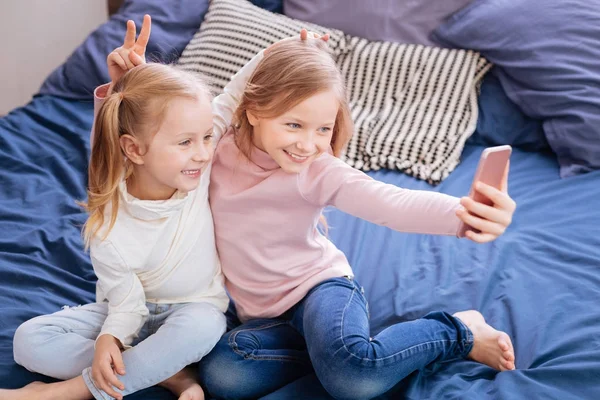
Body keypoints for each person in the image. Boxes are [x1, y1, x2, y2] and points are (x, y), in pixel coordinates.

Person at [199, 38, 518, 400]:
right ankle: (336, 357)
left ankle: (459, 330)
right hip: (258, 317)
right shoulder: (212, 147)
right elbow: (186, 121)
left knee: (354, 379)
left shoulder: (316, 171)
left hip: (319, 289)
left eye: (323, 129)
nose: (307, 144)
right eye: (293, 125)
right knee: (223, 375)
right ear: (254, 111)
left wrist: (466, 215)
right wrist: (128, 87)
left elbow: (393, 203)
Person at [1, 15, 266, 400]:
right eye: (186, 142)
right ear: (135, 150)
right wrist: (111, 335)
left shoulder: (195, 175)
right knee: (29, 341)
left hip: (191, 310)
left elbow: (234, 94)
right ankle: (166, 373)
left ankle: (63, 392)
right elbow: (125, 304)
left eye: (207, 137)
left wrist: (283, 51)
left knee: (203, 329)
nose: (205, 153)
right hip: (124, 311)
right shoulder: (108, 221)